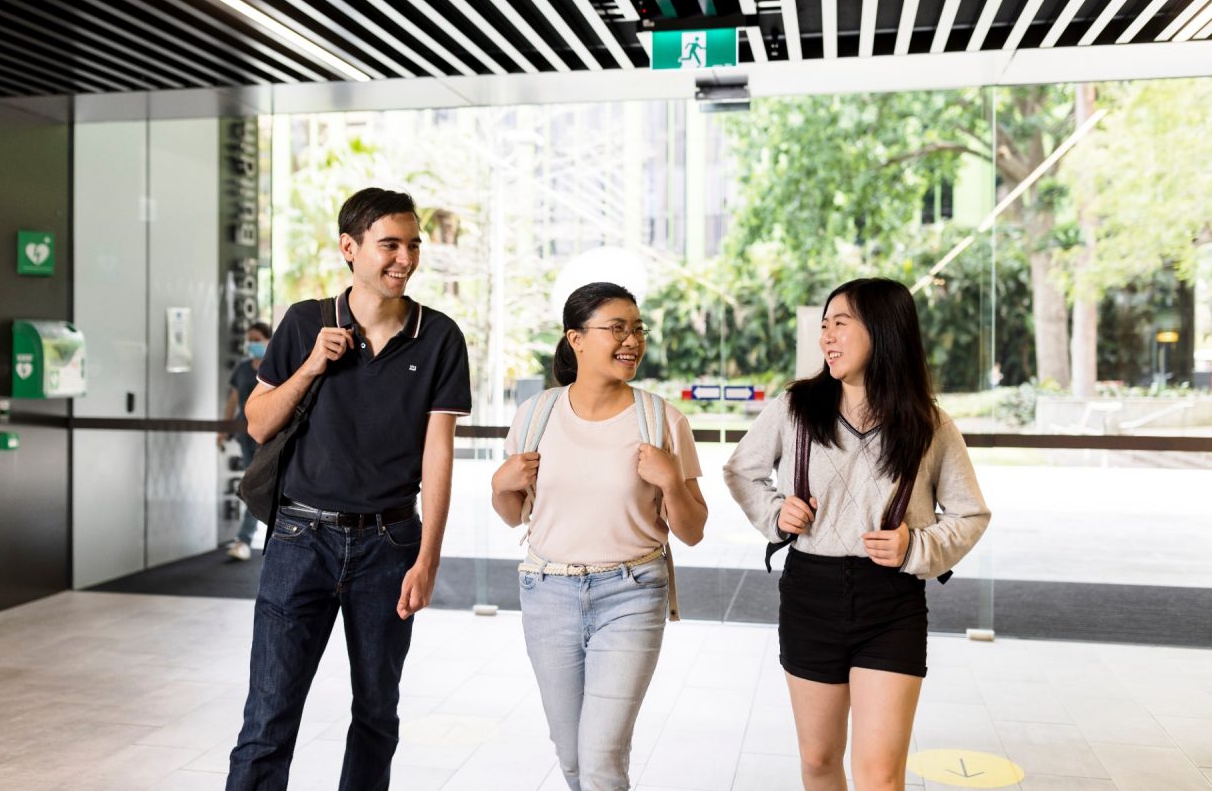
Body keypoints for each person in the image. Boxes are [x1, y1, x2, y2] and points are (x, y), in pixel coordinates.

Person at [226, 188, 471, 791]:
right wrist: (310, 364)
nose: (405, 258)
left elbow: (437, 452)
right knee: (268, 718)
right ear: (349, 248)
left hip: (390, 544)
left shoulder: (439, 337)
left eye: (412, 245)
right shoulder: (305, 322)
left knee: (377, 716)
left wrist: (428, 557)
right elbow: (258, 424)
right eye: (389, 244)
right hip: (298, 538)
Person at [723, 277, 990, 791]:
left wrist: (916, 546)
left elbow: (970, 515)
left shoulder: (929, 424)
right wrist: (778, 515)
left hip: (892, 602)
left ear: (884, 331)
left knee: (881, 778)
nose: (827, 337)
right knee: (819, 763)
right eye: (824, 326)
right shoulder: (796, 407)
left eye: (841, 325)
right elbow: (741, 472)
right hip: (810, 593)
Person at [491, 282, 708, 791]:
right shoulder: (537, 415)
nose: (632, 339)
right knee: (572, 758)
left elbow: (694, 531)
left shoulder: (662, 420)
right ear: (577, 339)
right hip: (547, 593)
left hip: (631, 594)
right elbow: (511, 514)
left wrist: (672, 480)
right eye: (617, 328)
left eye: (637, 329)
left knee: (602, 758)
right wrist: (500, 485)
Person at [220, 320, 273, 561]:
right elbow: (232, 400)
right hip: (246, 434)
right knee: (253, 483)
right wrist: (224, 428)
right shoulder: (242, 369)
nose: (252, 344)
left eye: (256, 339)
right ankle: (244, 539)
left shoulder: (274, 364)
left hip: (269, 433)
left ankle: (246, 537)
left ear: (268, 340)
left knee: (262, 483)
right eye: (249, 340)